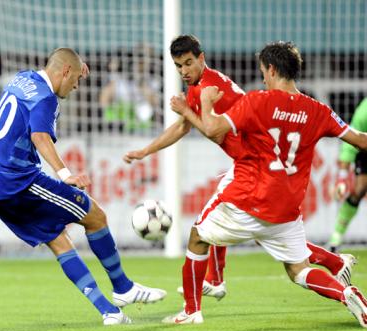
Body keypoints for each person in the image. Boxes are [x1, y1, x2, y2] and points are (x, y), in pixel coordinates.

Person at [124, 35, 356, 300]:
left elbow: (214, 133)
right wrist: (146, 150)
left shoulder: (210, 88)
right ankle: (332, 264)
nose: (183, 71)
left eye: (188, 63)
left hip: (255, 165)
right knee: (250, 227)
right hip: (250, 162)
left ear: (201, 58)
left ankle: (207, 292)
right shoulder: (200, 85)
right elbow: (183, 127)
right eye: (178, 66)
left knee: (217, 222)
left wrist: (186, 111)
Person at [0, 48, 166, 326]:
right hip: (18, 182)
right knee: (95, 216)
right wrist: (65, 174)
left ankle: (110, 312)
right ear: (65, 72)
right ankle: (124, 288)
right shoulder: (46, 99)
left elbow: (57, 68)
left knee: (58, 239)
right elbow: (40, 136)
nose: (77, 86)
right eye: (75, 79)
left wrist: (76, 66)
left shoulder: (23, 79)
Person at [328, 97, 367, 253]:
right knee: (359, 189)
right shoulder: (363, 112)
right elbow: (350, 144)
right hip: (366, 146)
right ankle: (337, 235)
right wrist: (342, 177)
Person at [99, 46, 161, 132]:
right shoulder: (119, 79)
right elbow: (103, 102)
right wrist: (116, 70)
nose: (140, 62)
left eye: (143, 60)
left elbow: (155, 103)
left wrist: (140, 82)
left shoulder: (153, 80)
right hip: (121, 120)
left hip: (142, 122)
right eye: (139, 59)